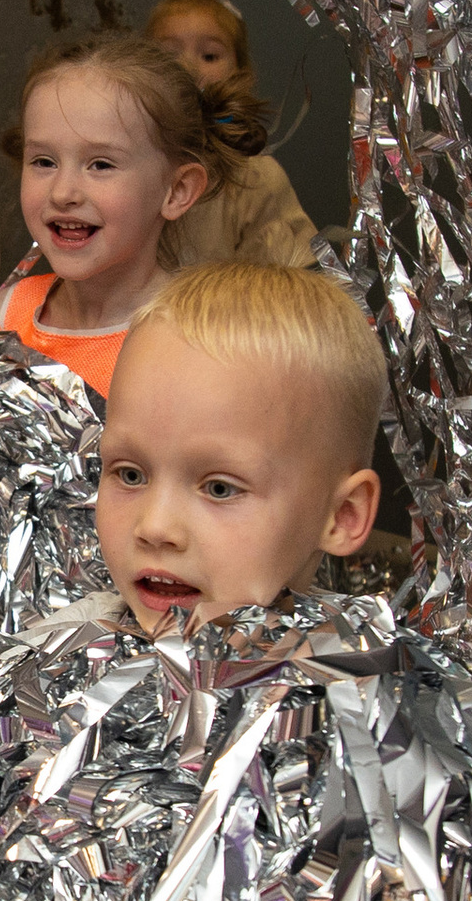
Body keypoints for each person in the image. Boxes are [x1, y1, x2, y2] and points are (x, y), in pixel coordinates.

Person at [94, 261, 384, 633]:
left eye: (220, 488)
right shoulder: (46, 659)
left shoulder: (371, 687)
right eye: (130, 475)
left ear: (343, 513)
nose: (154, 527)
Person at [0, 33, 255, 397]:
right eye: (44, 162)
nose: (63, 193)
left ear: (177, 191)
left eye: (100, 164)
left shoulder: (197, 341)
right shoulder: (4, 317)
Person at [144, 0, 323, 270]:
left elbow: (284, 286)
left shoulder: (255, 177)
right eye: (169, 54)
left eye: (210, 56)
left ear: (241, 73)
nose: (188, 67)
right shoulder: (125, 165)